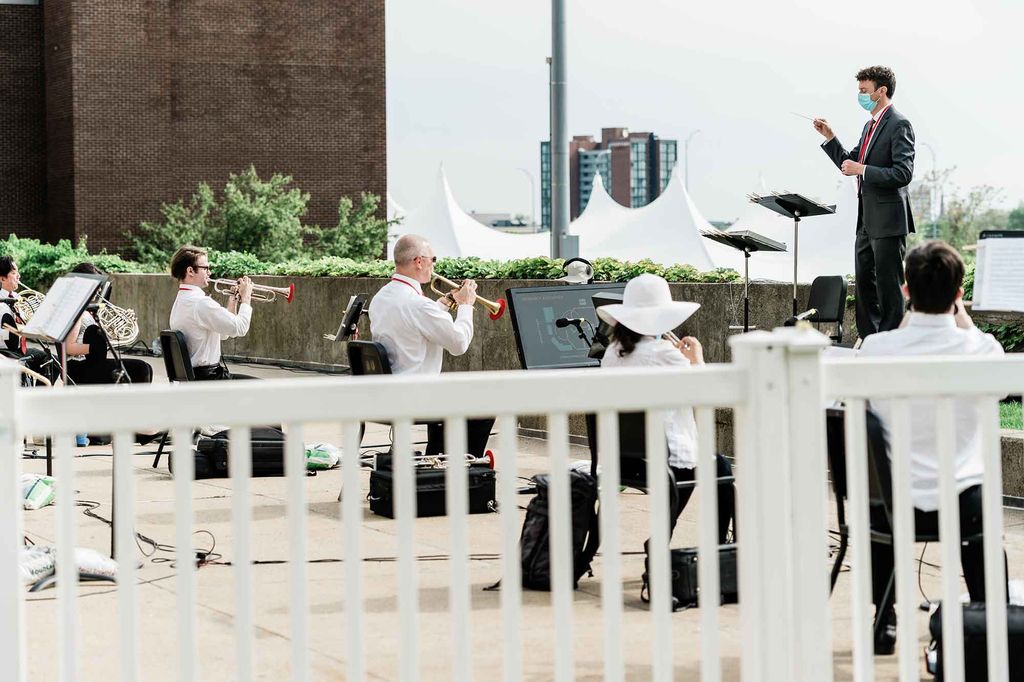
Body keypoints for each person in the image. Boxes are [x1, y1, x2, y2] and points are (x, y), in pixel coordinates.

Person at [859, 240, 1008, 654]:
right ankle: (983, 615)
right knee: (979, 521)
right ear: (960, 295)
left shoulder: (875, 351)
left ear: (905, 290)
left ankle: (885, 616)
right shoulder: (983, 349)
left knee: (878, 503)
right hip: (965, 504)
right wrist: (964, 320)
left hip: (891, 506)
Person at [596, 273, 736, 543]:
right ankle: (715, 545)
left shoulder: (612, 353)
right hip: (668, 458)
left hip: (624, 456)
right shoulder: (665, 353)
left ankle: (665, 536)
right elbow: (707, 394)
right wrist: (696, 358)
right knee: (721, 467)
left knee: (718, 465)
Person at [814, 65, 915, 340]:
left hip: (889, 222)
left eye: (864, 91)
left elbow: (903, 173)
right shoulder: (869, 126)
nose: (860, 95)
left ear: (881, 91)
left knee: (889, 287)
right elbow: (849, 163)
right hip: (866, 222)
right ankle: (869, 340)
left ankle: (891, 343)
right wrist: (830, 138)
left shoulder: (899, 124)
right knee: (864, 287)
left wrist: (864, 170)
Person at [369, 234, 493, 458]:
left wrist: (444, 303)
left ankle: (435, 460)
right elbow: (459, 344)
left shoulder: (382, 297)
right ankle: (455, 470)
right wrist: (466, 306)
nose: (433, 265)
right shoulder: (419, 305)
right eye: (432, 259)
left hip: (387, 392)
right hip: (417, 396)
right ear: (419, 261)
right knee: (484, 405)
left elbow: (414, 323)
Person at [168, 245, 255, 380]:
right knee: (264, 388)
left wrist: (233, 299)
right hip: (210, 378)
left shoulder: (181, 300)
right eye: (206, 268)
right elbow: (241, 328)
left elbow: (224, 334)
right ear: (190, 271)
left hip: (197, 376)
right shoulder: (200, 303)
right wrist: (247, 297)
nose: (210, 273)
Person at [63, 262, 153, 386]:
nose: (100, 290)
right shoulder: (76, 309)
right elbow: (69, 347)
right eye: (97, 285)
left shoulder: (86, 309)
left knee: (145, 367)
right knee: (141, 368)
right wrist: (94, 349)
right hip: (78, 366)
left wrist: (125, 319)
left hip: (89, 363)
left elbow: (97, 337)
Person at [0, 256, 59, 385]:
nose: (19, 276)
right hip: (5, 352)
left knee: (53, 361)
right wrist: (16, 329)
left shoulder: (18, 297)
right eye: (14, 273)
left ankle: (39, 396)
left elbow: (30, 320)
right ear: (2, 278)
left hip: (21, 350)